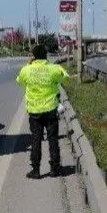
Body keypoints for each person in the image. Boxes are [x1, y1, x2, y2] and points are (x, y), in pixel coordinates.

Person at [16, 44, 70, 179]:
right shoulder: (53, 69)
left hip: (34, 112)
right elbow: (65, 77)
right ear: (45, 56)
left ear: (33, 57)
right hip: (51, 110)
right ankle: (55, 169)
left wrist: (29, 65)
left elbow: (19, 81)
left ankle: (35, 170)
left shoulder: (26, 70)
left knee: (36, 139)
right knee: (53, 139)